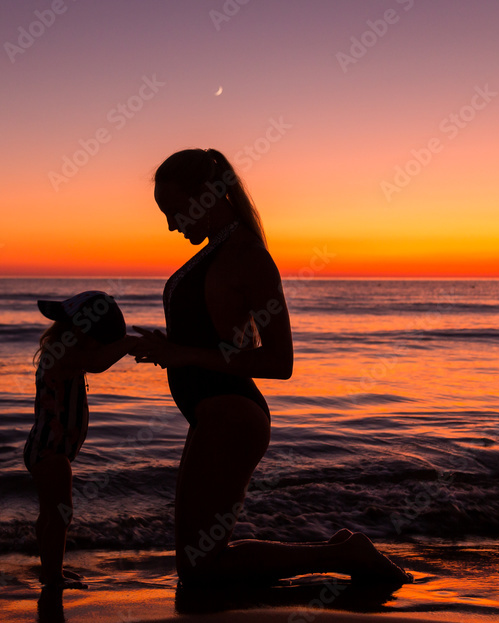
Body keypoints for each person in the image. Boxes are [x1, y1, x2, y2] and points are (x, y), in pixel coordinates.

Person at [132, 148, 413, 587]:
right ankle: (343, 552)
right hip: (210, 416)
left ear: (208, 195)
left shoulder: (248, 257)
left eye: (175, 210)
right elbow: (210, 341)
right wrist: (164, 347)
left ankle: (344, 554)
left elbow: (280, 362)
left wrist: (184, 355)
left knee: (200, 567)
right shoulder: (214, 252)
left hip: (233, 417)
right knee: (199, 562)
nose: (171, 224)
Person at [25, 291, 136, 589]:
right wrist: (130, 344)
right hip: (50, 450)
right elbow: (98, 363)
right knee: (61, 513)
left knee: (51, 513)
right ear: (82, 332)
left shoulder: (67, 352)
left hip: (47, 448)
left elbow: (94, 359)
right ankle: (52, 574)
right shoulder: (63, 353)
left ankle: (51, 569)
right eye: (99, 340)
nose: (100, 347)